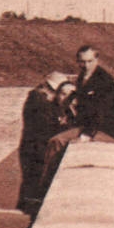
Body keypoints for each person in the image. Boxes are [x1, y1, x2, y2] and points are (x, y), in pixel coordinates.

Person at [18, 71, 71, 217]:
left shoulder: (38, 98)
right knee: (35, 180)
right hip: (34, 148)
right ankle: (32, 215)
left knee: (33, 181)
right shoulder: (39, 101)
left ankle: (31, 212)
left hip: (31, 146)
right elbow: (45, 126)